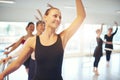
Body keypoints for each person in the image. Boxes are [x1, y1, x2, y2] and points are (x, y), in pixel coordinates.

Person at [0, 0, 86, 80]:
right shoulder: (32, 41)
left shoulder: (63, 38)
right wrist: (2, 74)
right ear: (45, 17)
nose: (58, 19)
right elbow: (18, 63)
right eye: (55, 16)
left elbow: (81, 16)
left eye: (60, 17)